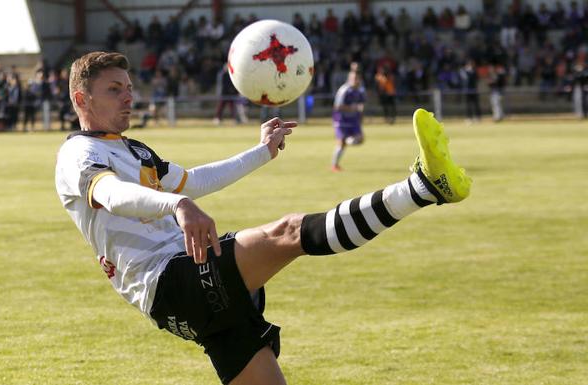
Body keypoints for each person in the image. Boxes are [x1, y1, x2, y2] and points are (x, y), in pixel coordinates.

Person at [55, 52, 471, 385]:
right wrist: (176, 206)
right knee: (289, 232)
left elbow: (193, 181)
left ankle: (425, 187)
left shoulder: (135, 149)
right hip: (169, 280)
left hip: (186, 280)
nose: (129, 96)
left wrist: (262, 151)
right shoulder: (78, 155)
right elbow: (110, 194)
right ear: (81, 99)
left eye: (129, 88)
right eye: (114, 90)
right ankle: (423, 187)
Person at [331, 70, 365, 172]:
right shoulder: (344, 90)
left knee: (360, 139)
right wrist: (351, 108)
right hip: (341, 119)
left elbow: (361, 105)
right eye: (353, 78)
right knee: (341, 143)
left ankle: (347, 140)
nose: (355, 80)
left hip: (353, 119)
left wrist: (360, 118)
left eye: (356, 78)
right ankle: (334, 165)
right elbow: (337, 106)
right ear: (349, 79)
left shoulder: (360, 90)